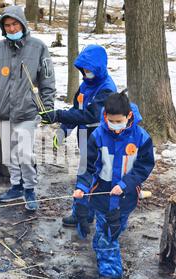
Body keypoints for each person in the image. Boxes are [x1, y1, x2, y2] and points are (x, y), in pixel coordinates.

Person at [73, 91, 155, 279]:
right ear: (105, 117)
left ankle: (109, 255)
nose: (114, 126)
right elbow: (88, 166)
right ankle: (111, 272)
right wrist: (82, 187)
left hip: (126, 196)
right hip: (102, 193)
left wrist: (126, 183)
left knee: (115, 227)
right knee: (105, 233)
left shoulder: (141, 137)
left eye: (118, 121)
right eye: (110, 121)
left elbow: (143, 167)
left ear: (128, 116)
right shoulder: (98, 136)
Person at [0, 5, 56, 212]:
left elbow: (47, 79)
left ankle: (30, 188)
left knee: (24, 152)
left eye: (15, 24)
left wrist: (46, 107)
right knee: (9, 152)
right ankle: (15, 185)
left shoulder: (38, 47)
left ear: (22, 24)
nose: (11, 28)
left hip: (27, 110)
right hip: (4, 109)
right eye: (7, 25)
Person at [39, 44, 117, 228]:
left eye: (90, 70)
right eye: (84, 69)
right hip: (84, 137)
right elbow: (77, 109)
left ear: (98, 68)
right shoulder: (85, 85)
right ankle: (83, 213)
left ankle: (92, 214)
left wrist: (57, 114)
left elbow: (91, 115)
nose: (86, 72)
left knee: (92, 175)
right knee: (85, 175)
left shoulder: (106, 89)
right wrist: (64, 129)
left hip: (100, 139)